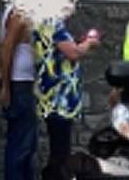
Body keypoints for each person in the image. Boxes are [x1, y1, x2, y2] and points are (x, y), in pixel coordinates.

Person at [34, 20, 99, 168]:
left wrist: (78, 42)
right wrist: (89, 42)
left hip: (53, 96)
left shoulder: (44, 22)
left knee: (59, 148)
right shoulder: (52, 23)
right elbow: (73, 53)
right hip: (58, 99)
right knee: (60, 152)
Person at [0, 6, 41, 180]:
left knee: (29, 140)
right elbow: (7, 47)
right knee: (20, 140)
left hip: (24, 83)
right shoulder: (19, 13)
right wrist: (6, 85)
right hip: (18, 84)